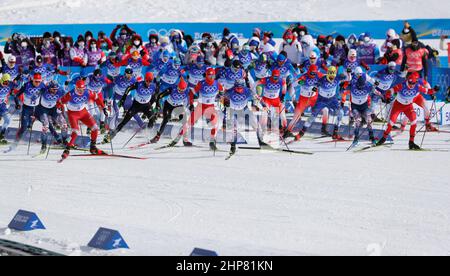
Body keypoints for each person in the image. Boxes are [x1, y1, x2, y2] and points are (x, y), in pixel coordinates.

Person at [376, 72, 439, 150]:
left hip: (408, 107)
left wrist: (435, 90)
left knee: (414, 122)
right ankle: (383, 138)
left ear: (416, 82)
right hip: (398, 106)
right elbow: (391, 90)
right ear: (407, 80)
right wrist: (388, 97)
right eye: (410, 82)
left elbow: (428, 91)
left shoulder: (418, 87)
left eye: (413, 83)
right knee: (391, 123)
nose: (411, 84)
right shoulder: (402, 85)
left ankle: (411, 143)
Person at [288, 66, 350, 141]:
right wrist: (310, 86)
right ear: (328, 74)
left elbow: (348, 78)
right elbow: (311, 85)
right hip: (321, 100)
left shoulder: (337, 78)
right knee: (312, 117)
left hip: (332, 99)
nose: (331, 79)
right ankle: (301, 133)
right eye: (330, 77)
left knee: (341, 113)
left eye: (333, 77)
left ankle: (335, 132)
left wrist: (348, 72)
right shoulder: (321, 80)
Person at [170, 68, 224, 150]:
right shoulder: (201, 83)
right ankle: (177, 139)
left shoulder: (217, 84)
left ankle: (212, 142)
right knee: (188, 123)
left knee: (216, 125)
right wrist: (191, 104)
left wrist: (221, 96)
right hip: (200, 107)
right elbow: (191, 93)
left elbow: (222, 91)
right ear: (206, 75)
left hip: (210, 107)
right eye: (209, 76)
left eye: (213, 76)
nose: (211, 77)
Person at [58, 79, 108, 160]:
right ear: (75, 88)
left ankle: (93, 147)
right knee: (75, 132)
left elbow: (97, 98)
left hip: (83, 112)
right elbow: (60, 101)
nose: (81, 91)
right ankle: (67, 150)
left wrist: (104, 108)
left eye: (82, 89)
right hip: (73, 114)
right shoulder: (70, 94)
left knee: (95, 128)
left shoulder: (87, 92)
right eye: (78, 89)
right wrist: (59, 108)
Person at [105, 72, 158, 142]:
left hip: (146, 106)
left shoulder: (154, 86)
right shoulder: (139, 84)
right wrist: (124, 97)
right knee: (125, 120)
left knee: (152, 119)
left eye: (150, 81)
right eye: (147, 81)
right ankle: (112, 135)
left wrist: (156, 105)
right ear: (144, 79)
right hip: (136, 105)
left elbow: (156, 96)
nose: (148, 83)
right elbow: (129, 88)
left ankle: (148, 134)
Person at [6, 73, 46, 152]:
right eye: (36, 81)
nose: (37, 83)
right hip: (26, 108)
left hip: (37, 108)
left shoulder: (42, 85)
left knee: (46, 123)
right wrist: (17, 104)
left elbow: (47, 94)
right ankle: (15, 143)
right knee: (24, 127)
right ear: (32, 80)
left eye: (39, 81)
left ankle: (43, 145)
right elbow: (17, 95)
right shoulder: (26, 85)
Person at [225, 79, 265, 155]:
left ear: (243, 86)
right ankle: (233, 146)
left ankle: (261, 142)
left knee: (256, 124)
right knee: (234, 128)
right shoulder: (230, 91)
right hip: (233, 111)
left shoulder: (248, 91)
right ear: (234, 86)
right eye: (237, 88)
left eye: (240, 88)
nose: (239, 90)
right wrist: (225, 103)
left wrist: (264, 106)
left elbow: (257, 98)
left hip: (245, 109)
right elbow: (220, 97)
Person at [149, 78, 193, 145]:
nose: (181, 91)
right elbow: (159, 96)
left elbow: (189, 100)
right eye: (179, 90)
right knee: (165, 119)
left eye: (182, 90)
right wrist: (157, 105)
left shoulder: (187, 91)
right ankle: (157, 137)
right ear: (178, 87)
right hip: (168, 105)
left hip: (178, 106)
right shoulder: (172, 89)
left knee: (184, 121)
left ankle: (185, 140)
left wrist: (190, 106)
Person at [35, 81, 68, 153]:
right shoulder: (44, 89)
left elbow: (67, 96)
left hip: (53, 108)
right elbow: (35, 94)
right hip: (43, 109)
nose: (55, 91)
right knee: (46, 126)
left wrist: (65, 101)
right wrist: (35, 97)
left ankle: (64, 141)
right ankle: (43, 145)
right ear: (49, 88)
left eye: (56, 89)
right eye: (53, 89)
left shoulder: (60, 90)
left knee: (64, 124)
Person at [0, 74, 14, 144]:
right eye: (5, 82)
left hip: (2, 106)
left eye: (7, 83)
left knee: (8, 120)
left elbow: (18, 86)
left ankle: (1, 135)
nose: (6, 84)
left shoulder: (9, 85)